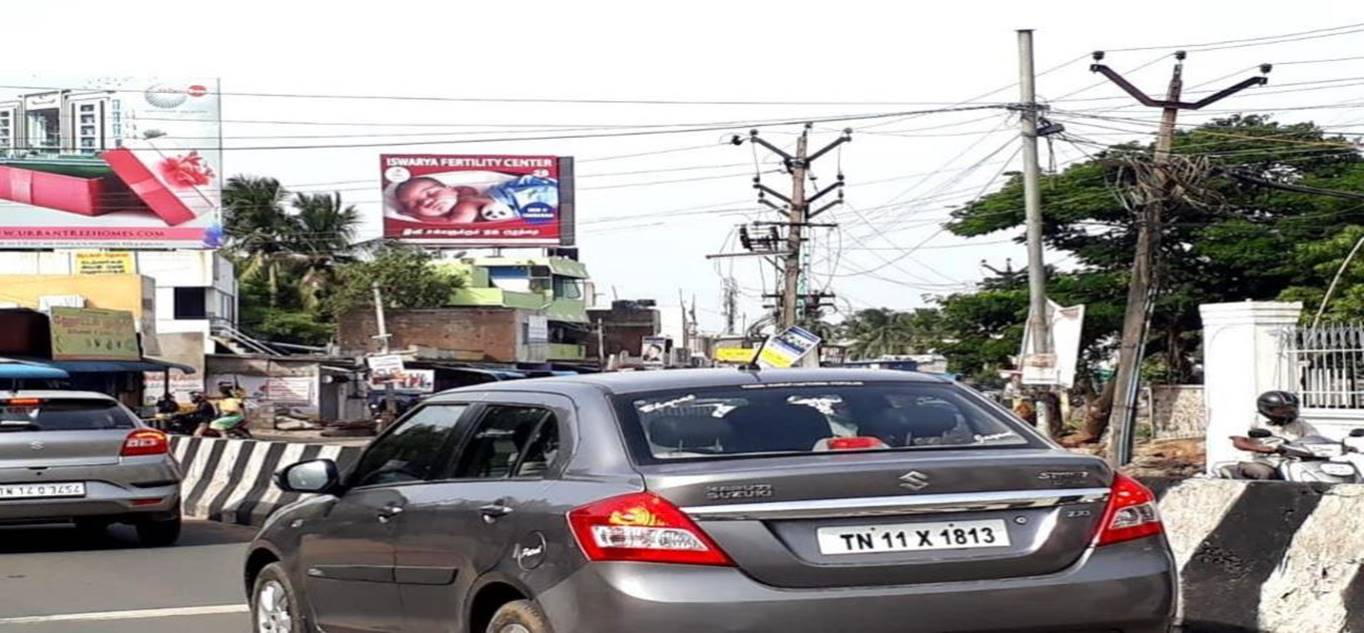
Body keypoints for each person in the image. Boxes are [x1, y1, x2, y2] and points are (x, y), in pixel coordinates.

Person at [1226, 390, 1320, 480]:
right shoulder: (1254, 421)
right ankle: (1261, 496)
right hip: (1260, 461)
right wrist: (1261, 449)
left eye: (1291, 408)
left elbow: (1314, 437)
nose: (1288, 411)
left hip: (1291, 461)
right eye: (1282, 409)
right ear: (1267, 409)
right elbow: (1239, 442)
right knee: (1265, 473)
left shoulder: (1300, 423)